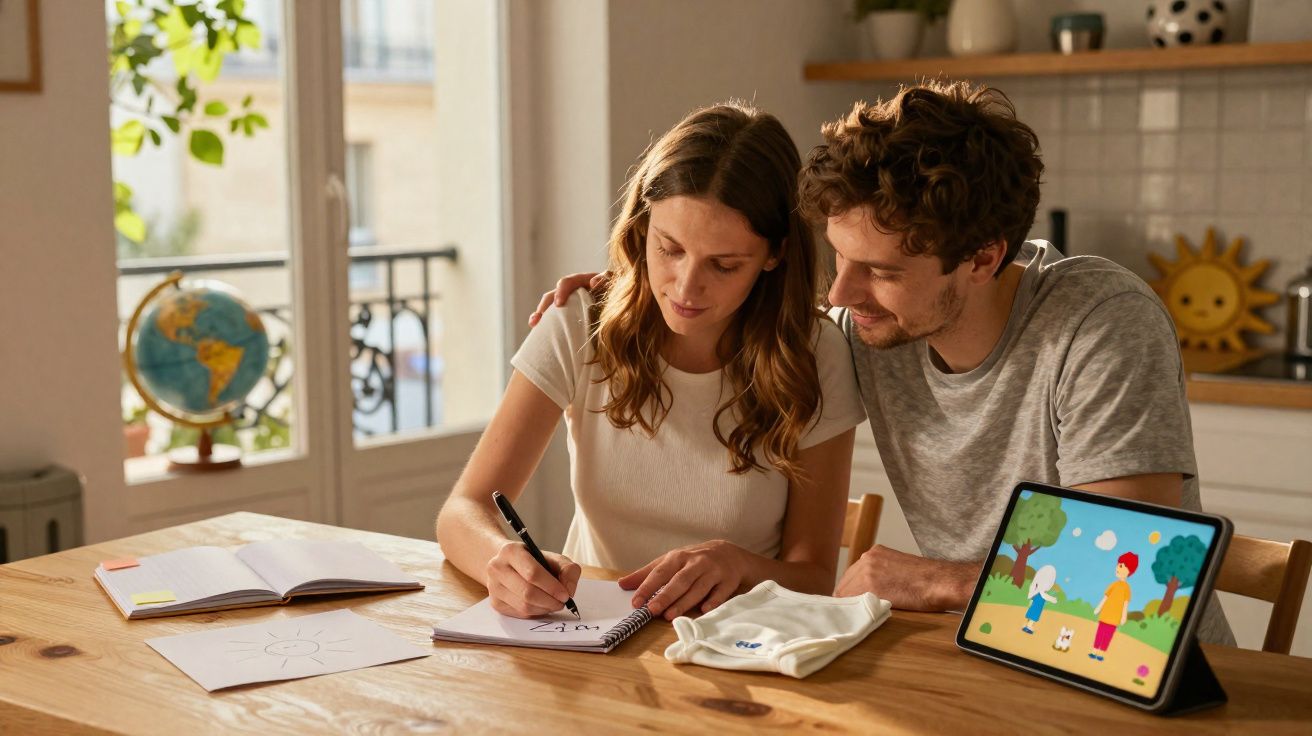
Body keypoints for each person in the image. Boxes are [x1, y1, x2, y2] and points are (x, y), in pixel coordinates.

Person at [531, 80, 1234, 645]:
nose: (838, 294)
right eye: (839, 259)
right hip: (978, 668)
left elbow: (1130, 586)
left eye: (880, 271)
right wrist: (619, 291)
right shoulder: (869, 335)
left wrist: (932, 581)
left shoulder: (1100, 324)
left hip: (1140, 677)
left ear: (985, 257)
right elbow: (744, 311)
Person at [436, 102, 867, 623]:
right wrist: (500, 562)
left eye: (724, 265)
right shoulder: (580, 324)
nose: (686, 288)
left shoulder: (815, 353)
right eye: (670, 249)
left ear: (774, 255)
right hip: (591, 636)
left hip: (737, 646)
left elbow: (815, 577)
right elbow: (464, 510)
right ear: (642, 227)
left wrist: (739, 565)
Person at [1090, 552, 1138, 660]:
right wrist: (1098, 608)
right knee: (1100, 633)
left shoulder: (1126, 588)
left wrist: (1123, 616)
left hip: (1115, 617)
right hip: (1105, 614)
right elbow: (1105, 597)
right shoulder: (1114, 584)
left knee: (1108, 635)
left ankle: (1101, 653)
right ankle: (1094, 650)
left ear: (1128, 570)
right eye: (1118, 564)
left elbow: (1126, 603)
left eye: (1121, 566)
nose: (1117, 567)